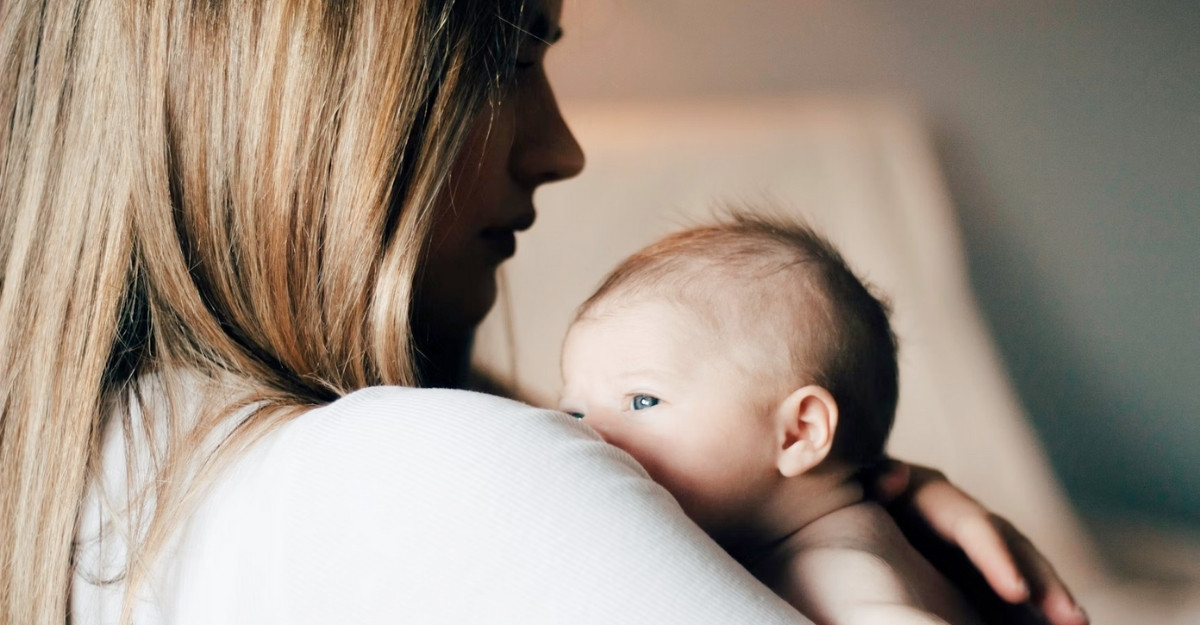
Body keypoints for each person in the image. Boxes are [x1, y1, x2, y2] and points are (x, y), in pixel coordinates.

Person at [0, 1, 1087, 624]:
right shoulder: (424, 468)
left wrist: (857, 497)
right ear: (301, 107)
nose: (560, 147)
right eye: (509, 62)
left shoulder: (92, 476)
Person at [560, 214, 982, 624]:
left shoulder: (830, 568)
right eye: (573, 411)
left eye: (643, 401)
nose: (587, 432)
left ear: (798, 434)